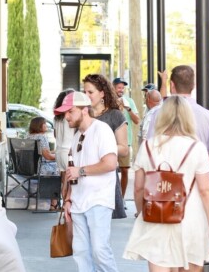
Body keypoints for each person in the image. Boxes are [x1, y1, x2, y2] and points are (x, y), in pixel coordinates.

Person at [123, 96, 209, 271]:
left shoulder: (147, 146)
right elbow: (205, 190)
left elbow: (138, 188)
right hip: (191, 220)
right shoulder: (196, 148)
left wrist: (140, 212)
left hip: (157, 219)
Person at [147, 65, 209, 214]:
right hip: (197, 187)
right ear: (193, 86)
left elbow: (149, 151)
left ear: (172, 85)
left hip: (165, 188)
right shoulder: (207, 116)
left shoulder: (158, 114)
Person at [55, 91, 119, 272]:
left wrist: (80, 171)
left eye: (70, 111)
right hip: (78, 203)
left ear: (84, 110)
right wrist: (67, 199)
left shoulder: (101, 130)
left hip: (98, 200)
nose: (66, 116)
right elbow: (70, 172)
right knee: (81, 253)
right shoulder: (76, 136)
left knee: (100, 251)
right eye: (64, 112)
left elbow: (110, 163)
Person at [83, 74, 128, 218]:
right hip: (83, 177)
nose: (86, 96)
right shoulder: (83, 114)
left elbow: (124, 148)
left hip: (104, 179)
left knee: (100, 233)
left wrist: (103, 148)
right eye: (84, 92)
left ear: (102, 93)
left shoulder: (115, 115)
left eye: (90, 92)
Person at [112, 77, 140, 199]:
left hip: (125, 142)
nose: (121, 90)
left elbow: (137, 120)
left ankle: (122, 199)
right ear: (113, 87)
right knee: (109, 171)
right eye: (119, 87)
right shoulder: (107, 101)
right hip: (110, 142)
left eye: (123, 88)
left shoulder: (129, 101)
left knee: (124, 171)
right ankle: (111, 198)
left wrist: (128, 108)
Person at [26, 116, 60, 211]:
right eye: (44, 123)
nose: (46, 125)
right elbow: (47, 157)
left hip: (28, 168)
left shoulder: (28, 136)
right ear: (39, 126)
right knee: (59, 169)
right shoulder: (42, 137)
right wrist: (61, 157)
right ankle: (54, 203)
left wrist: (56, 152)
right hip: (41, 168)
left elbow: (43, 153)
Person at [53, 89, 75, 203]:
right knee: (70, 184)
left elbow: (55, 135)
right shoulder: (70, 117)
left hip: (59, 151)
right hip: (68, 152)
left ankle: (63, 206)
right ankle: (68, 206)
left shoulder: (56, 118)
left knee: (63, 182)